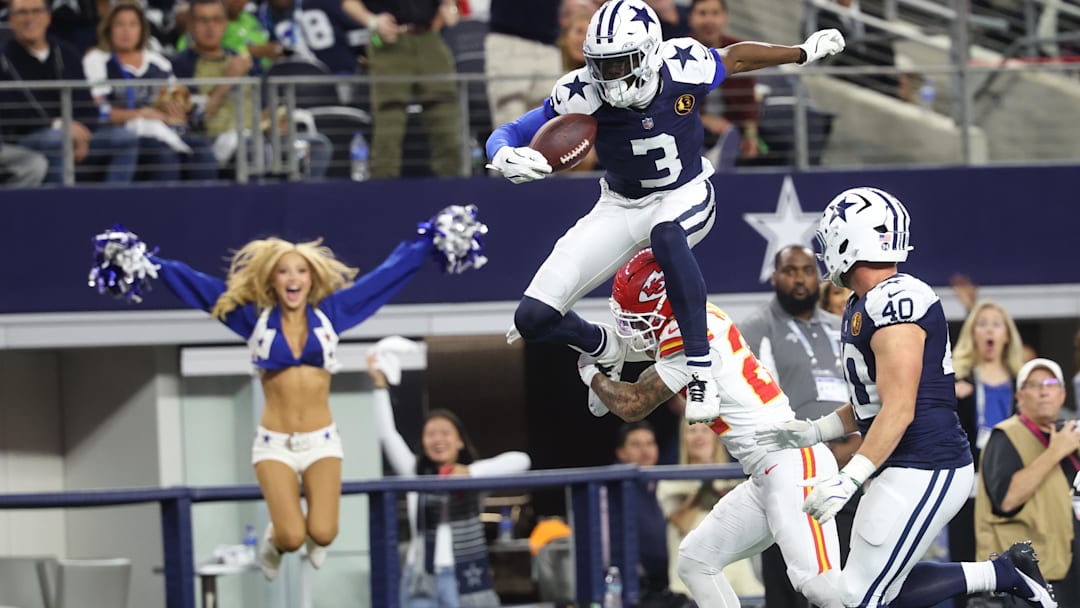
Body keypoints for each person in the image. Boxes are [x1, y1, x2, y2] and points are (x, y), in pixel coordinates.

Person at [486, 0, 846, 427]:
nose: (611, 76)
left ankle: (699, 371)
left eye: (622, 63)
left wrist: (800, 52)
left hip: (684, 192)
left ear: (651, 52)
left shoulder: (683, 64)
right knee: (532, 318)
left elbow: (738, 57)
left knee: (667, 235)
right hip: (618, 204)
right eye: (602, 65)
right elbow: (511, 131)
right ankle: (604, 345)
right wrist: (503, 153)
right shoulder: (580, 90)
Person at [94, 207, 484, 581]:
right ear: (273, 280)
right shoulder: (252, 318)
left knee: (325, 533)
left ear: (311, 278)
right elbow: (195, 285)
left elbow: (385, 277)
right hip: (274, 444)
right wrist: (145, 261)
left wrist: (431, 240)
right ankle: (273, 543)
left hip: (322, 442)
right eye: (283, 271)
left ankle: (299, 534)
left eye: (300, 270)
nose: (292, 278)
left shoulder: (332, 314)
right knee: (293, 536)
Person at [753, 186, 1057, 608]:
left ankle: (1005, 574)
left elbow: (899, 408)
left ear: (852, 239)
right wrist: (814, 431)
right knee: (855, 593)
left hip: (927, 464)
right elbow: (872, 402)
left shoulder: (898, 301)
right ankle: (1004, 572)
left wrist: (849, 477)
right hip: (899, 463)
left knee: (857, 599)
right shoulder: (865, 301)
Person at [578, 248, 844, 608]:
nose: (635, 327)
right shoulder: (696, 321)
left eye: (639, 317)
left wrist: (590, 372)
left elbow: (633, 403)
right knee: (695, 562)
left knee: (822, 588)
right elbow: (643, 367)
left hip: (793, 464)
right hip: (767, 473)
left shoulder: (693, 341)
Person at [738, 243, 858, 608]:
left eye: (807, 269)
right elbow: (747, 402)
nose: (800, 278)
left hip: (846, 471)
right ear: (775, 277)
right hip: (789, 475)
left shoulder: (840, 328)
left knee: (849, 582)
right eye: (790, 270)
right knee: (787, 588)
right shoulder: (756, 327)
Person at [366, 348, 531, 607]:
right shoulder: (414, 473)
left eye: (445, 433)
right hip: (421, 578)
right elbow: (388, 435)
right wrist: (379, 385)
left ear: (459, 442)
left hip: (464, 577)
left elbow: (522, 460)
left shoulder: (474, 476)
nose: (438, 440)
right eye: (431, 434)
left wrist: (470, 473)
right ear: (422, 442)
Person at [171, 0, 332, 177]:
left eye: (217, 20)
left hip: (258, 136)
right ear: (191, 24)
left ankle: (301, 203)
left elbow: (257, 107)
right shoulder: (181, 66)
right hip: (216, 142)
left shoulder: (240, 59)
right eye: (203, 20)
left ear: (226, 23)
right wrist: (229, 79)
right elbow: (195, 119)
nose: (211, 27)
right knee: (253, 148)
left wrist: (274, 121)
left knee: (317, 145)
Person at [976, 357, 1080, 608]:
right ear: (1019, 396)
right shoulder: (1005, 435)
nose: (1044, 390)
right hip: (1026, 577)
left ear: (1062, 394)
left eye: (1051, 383)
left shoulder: (1067, 436)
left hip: (1066, 568)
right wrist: (1054, 452)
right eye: (1034, 385)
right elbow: (1007, 500)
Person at [0, 0, 139, 185]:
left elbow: (88, 106)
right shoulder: (3, 59)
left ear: (48, 17)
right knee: (56, 139)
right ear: (11, 20)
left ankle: (112, 205)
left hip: (76, 134)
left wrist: (83, 133)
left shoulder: (67, 53)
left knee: (126, 139)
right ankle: (63, 208)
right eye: (22, 13)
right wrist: (60, 126)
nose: (30, 18)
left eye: (36, 11)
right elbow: (10, 113)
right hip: (31, 138)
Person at [83, 0, 217, 182]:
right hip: (126, 134)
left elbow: (179, 99)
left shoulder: (157, 61)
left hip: (165, 129)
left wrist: (178, 112)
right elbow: (99, 110)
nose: (126, 31)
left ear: (142, 29)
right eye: (120, 24)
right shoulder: (97, 60)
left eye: (132, 24)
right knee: (164, 157)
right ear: (109, 29)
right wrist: (140, 114)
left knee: (202, 151)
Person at [341, 0, 464, 178]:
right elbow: (349, 3)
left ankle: (452, 186)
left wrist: (447, 9)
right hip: (389, 40)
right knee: (389, 122)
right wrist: (373, 22)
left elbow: (449, 6)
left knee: (446, 119)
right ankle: (384, 190)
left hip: (428, 38)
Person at [949, 300, 1024, 569]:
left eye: (995, 324)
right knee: (967, 561)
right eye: (982, 325)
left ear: (1006, 335)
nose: (989, 331)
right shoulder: (958, 382)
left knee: (1013, 562)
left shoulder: (1021, 383)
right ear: (973, 335)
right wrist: (950, 397)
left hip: (1014, 482)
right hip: (969, 485)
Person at [656, 419, 763, 599]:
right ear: (683, 438)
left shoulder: (735, 482)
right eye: (692, 431)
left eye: (705, 431)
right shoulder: (670, 482)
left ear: (715, 437)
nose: (699, 436)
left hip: (739, 580)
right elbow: (683, 524)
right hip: (690, 586)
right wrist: (704, 483)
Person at [687, 0, 760, 163]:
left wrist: (751, 136)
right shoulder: (677, 52)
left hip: (734, 128)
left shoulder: (739, 49)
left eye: (715, 13)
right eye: (702, 13)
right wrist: (705, 119)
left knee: (780, 144)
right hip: (693, 126)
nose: (709, 20)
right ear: (691, 18)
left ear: (725, 17)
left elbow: (749, 105)